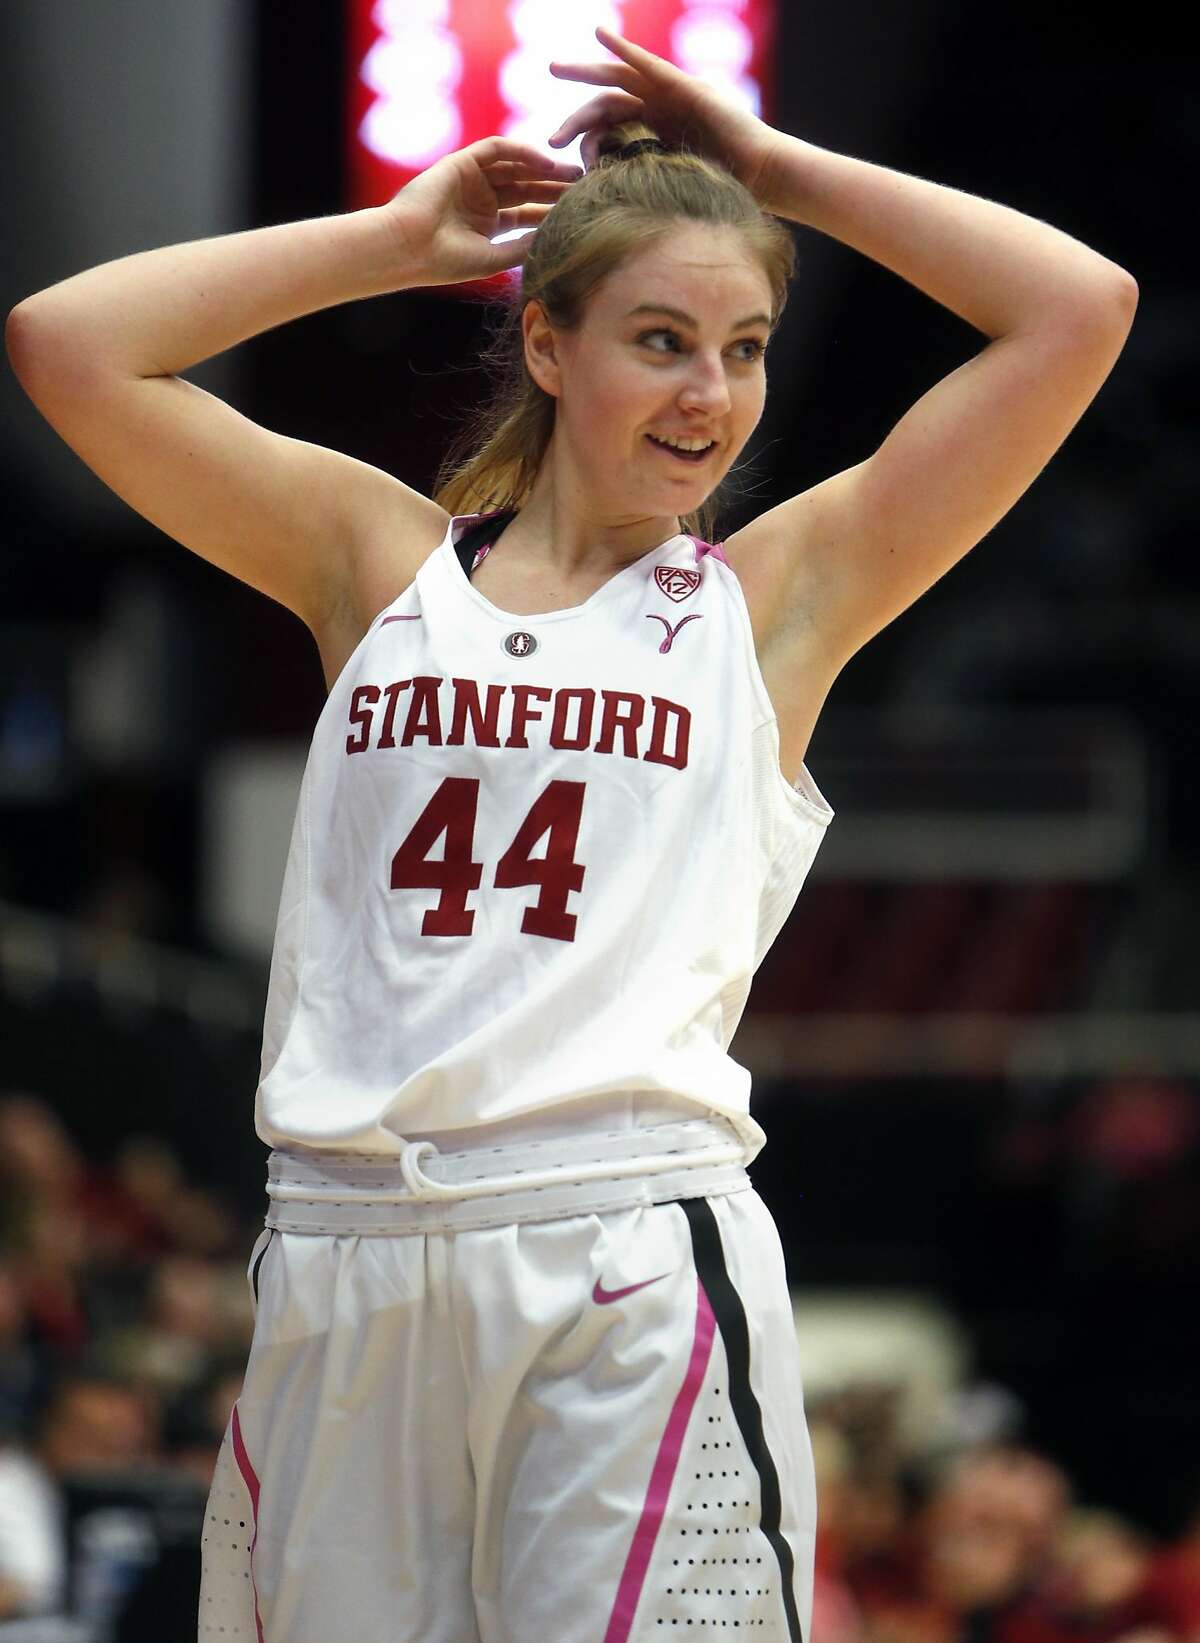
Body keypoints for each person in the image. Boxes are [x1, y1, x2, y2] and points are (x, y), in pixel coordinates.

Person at [5, 24, 1136, 1642]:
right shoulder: (375, 563)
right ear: (547, 345)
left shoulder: (770, 605)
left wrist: (772, 169)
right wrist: (393, 240)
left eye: (743, 348)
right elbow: (66, 341)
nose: (712, 393)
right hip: (344, 1246)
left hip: (619, 1242)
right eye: (662, 340)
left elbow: (1077, 309)